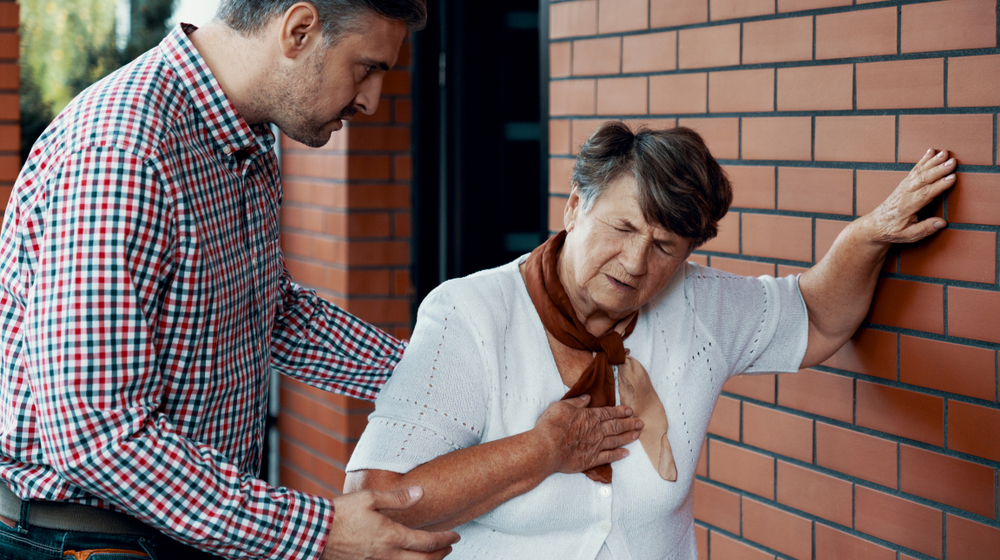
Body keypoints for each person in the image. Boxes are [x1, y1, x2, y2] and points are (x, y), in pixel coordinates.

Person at [0, 2, 641, 559]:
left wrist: (457, 382)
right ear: (299, 30)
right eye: (367, 67)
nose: (370, 100)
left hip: (176, 532)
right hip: (83, 540)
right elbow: (95, 434)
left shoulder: (242, 145)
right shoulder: (122, 153)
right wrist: (319, 531)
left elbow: (272, 313)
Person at [344, 121, 957, 559]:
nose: (637, 262)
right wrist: (541, 450)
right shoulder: (470, 314)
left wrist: (868, 237)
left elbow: (818, 317)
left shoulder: (696, 303)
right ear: (574, 207)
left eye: (666, 246)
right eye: (622, 226)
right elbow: (381, 499)